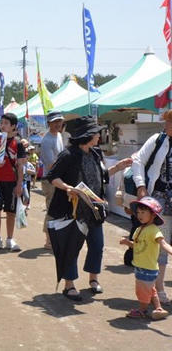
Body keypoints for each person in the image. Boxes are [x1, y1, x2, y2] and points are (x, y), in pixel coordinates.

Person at [46, 116, 132, 300]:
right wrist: (68, 188)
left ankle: (93, 279)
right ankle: (69, 285)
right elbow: (53, 176)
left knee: (97, 245)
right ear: (87, 136)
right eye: (96, 134)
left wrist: (118, 167)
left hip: (94, 208)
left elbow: (100, 177)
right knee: (72, 247)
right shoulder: (68, 155)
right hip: (73, 209)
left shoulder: (95, 153)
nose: (99, 137)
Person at [131, 109, 172, 304]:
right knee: (160, 244)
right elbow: (138, 160)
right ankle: (159, 288)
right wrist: (141, 186)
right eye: (168, 121)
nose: (168, 125)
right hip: (159, 200)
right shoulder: (158, 140)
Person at [120, 197, 170, 319]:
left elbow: (163, 244)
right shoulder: (139, 229)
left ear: (153, 215)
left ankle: (142, 310)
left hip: (147, 268)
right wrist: (128, 243)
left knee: (142, 290)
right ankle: (159, 308)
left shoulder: (154, 230)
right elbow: (137, 246)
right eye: (138, 212)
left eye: (143, 212)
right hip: (140, 265)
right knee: (150, 289)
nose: (139, 215)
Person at [0, 113, 26, 252]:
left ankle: (10, 239)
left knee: (10, 212)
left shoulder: (18, 143)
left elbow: (21, 165)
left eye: (6, 123)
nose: (3, 125)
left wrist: (19, 184)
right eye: (2, 122)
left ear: (13, 126)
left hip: (11, 182)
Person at [41, 111, 65, 249]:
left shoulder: (59, 136)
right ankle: (48, 240)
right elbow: (50, 165)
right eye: (55, 122)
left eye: (59, 121)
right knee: (51, 208)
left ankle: (52, 238)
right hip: (50, 179)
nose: (57, 124)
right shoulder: (46, 140)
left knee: (57, 208)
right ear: (49, 123)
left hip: (58, 177)